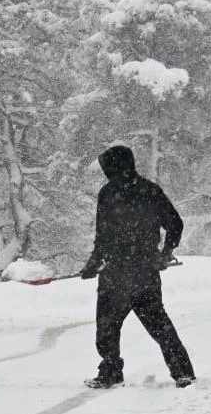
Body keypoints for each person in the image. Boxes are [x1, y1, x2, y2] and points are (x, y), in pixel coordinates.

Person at [80, 145, 195, 389]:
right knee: (160, 326)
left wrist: (94, 262)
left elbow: (103, 236)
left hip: (116, 274)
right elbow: (175, 223)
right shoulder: (150, 191)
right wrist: (165, 252)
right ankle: (183, 373)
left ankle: (111, 371)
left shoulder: (108, 194)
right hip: (144, 272)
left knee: (107, 328)